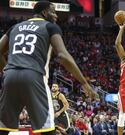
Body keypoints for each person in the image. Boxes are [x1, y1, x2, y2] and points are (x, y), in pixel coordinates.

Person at [0, 1, 97, 135]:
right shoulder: (50, 27)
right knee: (47, 129)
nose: (56, 15)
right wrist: (84, 83)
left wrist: (7, 70)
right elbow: (63, 56)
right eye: (53, 12)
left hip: (10, 77)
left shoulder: (15, 27)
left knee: (4, 128)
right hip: (34, 76)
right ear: (44, 12)